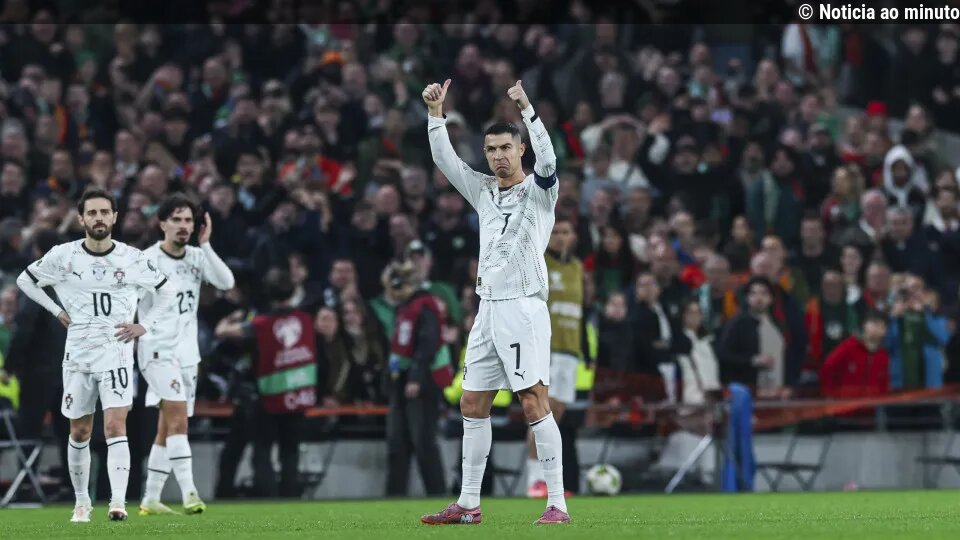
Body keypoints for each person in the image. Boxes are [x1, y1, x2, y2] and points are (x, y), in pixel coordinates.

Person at [420, 78, 569, 525]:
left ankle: (557, 503)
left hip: (523, 306)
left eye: (506, 148)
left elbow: (550, 161)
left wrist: (528, 109)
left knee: (533, 402)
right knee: (472, 404)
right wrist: (435, 115)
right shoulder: (483, 190)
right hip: (487, 307)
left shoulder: (541, 193)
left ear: (520, 149)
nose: (499, 156)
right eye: (491, 150)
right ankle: (469, 504)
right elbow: (445, 161)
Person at [15, 188, 176, 522]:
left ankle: (118, 502)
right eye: (92, 213)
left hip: (117, 354)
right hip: (78, 356)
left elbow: (166, 291)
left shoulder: (132, 258)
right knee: (79, 431)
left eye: (104, 212)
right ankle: (81, 502)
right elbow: (24, 281)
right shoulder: (64, 256)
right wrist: (56, 310)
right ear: (81, 219)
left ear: (114, 217)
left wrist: (144, 325)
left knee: (115, 426)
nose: (99, 218)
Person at [138, 193, 235, 516]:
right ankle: (190, 493)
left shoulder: (196, 256)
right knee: (179, 418)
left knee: (168, 426)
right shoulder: (146, 261)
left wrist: (206, 245)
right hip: (156, 351)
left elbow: (226, 282)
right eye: (176, 219)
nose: (183, 226)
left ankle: (151, 498)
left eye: (188, 220)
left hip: (187, 353)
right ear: (162, 224)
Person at [215, 268, 317, 498]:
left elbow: (222, 332)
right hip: (297, 396)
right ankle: (290, 501)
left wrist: (233, 317)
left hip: (268, 398)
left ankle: (268, 500)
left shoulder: (261, 324)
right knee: (290, 453)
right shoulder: (305, 319)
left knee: (262, 451)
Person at [527, 215, 583, 498]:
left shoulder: (577, 268)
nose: (561, 236)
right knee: (541, 413)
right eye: (556, 231)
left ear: (574, 237)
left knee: (555, 416)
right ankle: (533, 480)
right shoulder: (540, 262)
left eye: (566, 232)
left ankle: (545, 481)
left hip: (569, 351)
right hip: (545, 347)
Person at [384, 260, 448, 496]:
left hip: (422, 380)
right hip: (402, 379)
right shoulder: (406, 307)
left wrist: (416, 378)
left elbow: (428, 343)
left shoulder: (425, 305)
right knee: (397, 443)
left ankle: (437, 494)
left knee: (423, 443)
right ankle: (394, 496)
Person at [820, 312, 890, 398]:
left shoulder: (883, 355)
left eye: (881, 326)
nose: (876, 329)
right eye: (874, 323)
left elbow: (884, 384)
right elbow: (828, 367)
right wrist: (830, 394)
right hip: (844, 403)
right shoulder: (848, 346)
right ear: (864, 325)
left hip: (872, 404)